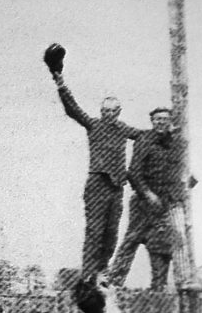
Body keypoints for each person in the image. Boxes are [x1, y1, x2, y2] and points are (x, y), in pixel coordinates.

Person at [48, 67, 142, 283]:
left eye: (112, 111)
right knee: (95, 232)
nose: (108, 115)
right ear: (101, 112)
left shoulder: (122, 128)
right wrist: (60, 82)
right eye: (105, 111)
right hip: (98, 183)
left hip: (116, 186)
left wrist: (166, 134)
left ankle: (101, 271)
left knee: (111, 234)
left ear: (118, 112)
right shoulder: (94, 124)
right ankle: (89, 274)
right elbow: (73, 109)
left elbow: (142, 136)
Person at [109, 107, 196, 290]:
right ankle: (114, 281)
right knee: (132, 239)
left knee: (167, 243)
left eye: (164, 119)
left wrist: (183, 188)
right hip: (143, 201)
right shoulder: (144, 140)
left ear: (170, 121)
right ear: (152, 121)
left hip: (167, 202)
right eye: (157, 119)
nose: (161, 122)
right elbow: (133, 173)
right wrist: (147, 194)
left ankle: (166, 284)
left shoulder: (178, 143)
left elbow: (183, 171)